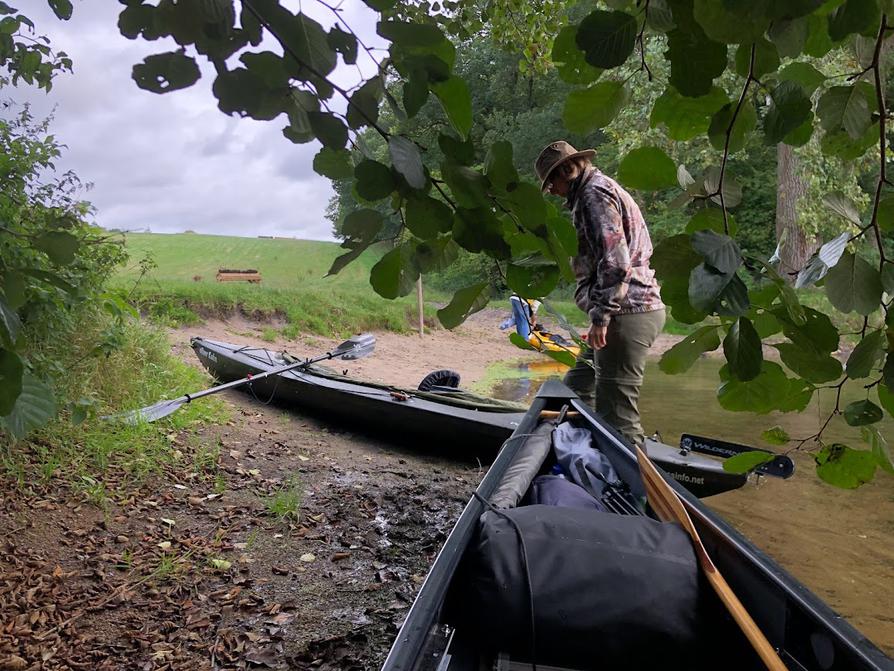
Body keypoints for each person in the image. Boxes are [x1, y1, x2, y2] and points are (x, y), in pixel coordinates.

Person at [534, 140, 666, 447]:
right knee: (576, 389)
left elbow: (616, 262)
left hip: (626, 313)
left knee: (618, 420)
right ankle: (579, 455)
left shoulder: (593, 194)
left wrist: (601, 318)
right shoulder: (593, 191)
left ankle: (639, 488)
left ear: (568, 170)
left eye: (551, 181)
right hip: (626, 311)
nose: (551, 190)